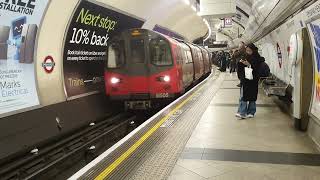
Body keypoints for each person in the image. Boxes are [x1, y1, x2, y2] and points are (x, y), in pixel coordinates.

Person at [235, 43, 265, 119]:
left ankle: (251, 112)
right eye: (247, 50)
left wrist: (249, 65)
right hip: (245, 80)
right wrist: (240, 63)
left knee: (252, 97)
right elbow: (240, 69)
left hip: (253, 80)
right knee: (243, 96)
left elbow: (258, 70)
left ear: (253, 51)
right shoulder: (245, 57)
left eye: (249, 51)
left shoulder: (258, 58)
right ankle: (242, 112)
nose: (248, 52)